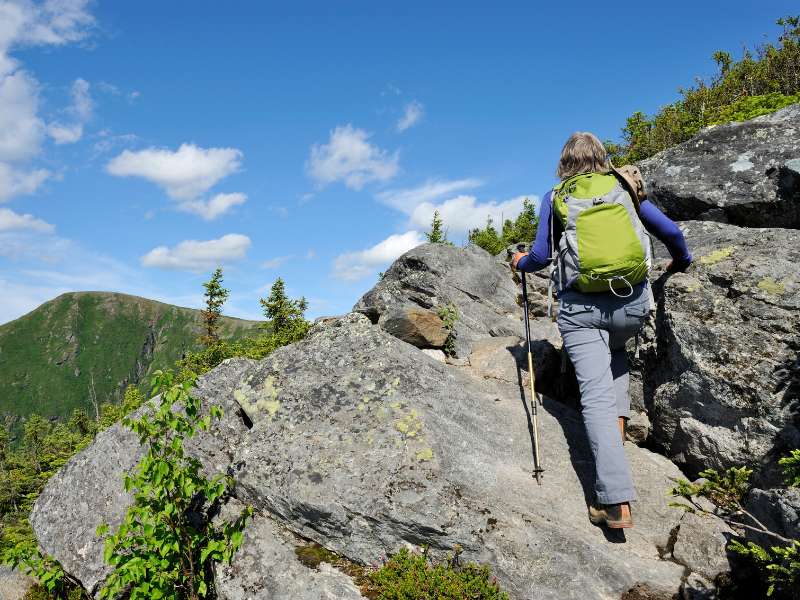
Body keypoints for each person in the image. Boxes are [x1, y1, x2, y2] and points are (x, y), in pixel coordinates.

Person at [511, 132, 692, 529]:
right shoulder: (624, 185)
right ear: (602, 157)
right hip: (630, 307)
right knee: (615, 355)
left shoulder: (556, 196)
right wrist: (681, 263)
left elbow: (541, 257)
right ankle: (618, 438)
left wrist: (519, 260)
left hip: (581, 310)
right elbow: (674, 235)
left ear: (564, 163)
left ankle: (614, 502)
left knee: (593, 398)